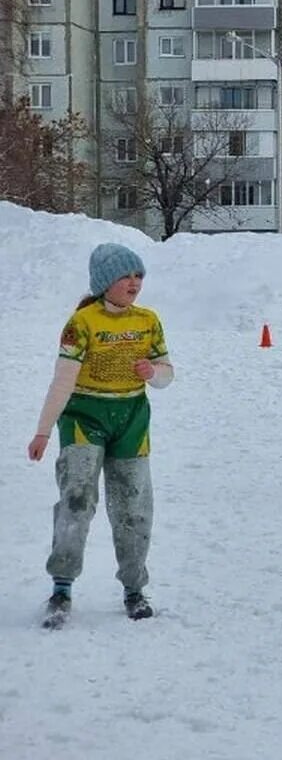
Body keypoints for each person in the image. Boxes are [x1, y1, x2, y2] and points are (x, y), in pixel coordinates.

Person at [27, 244, 175, 629]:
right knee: (77, 499)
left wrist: (153, 374)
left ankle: (133, 589)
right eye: (126, 275)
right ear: (105, 281)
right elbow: (62, 380)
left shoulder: (148, 320)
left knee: (134, 508)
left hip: (131, 420)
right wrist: (44, 431)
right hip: (84, 418)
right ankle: (61, 588)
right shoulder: (82, 323)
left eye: (139, 276)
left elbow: (167, 373)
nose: (135, 283)